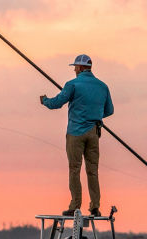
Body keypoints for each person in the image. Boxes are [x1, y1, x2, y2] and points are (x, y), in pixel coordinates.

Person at [40, 54, 114, 217]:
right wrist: (94, 114)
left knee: (75, 169)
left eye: (75, 67)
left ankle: (75, 206)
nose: (74, 70)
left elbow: (56, 103)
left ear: (80, 68)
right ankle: (95, 207)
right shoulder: (103, 86)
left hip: (75, 133)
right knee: (92, 171)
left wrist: (45, 100)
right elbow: (109, 111)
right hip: (94, 133)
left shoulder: (72, 84)